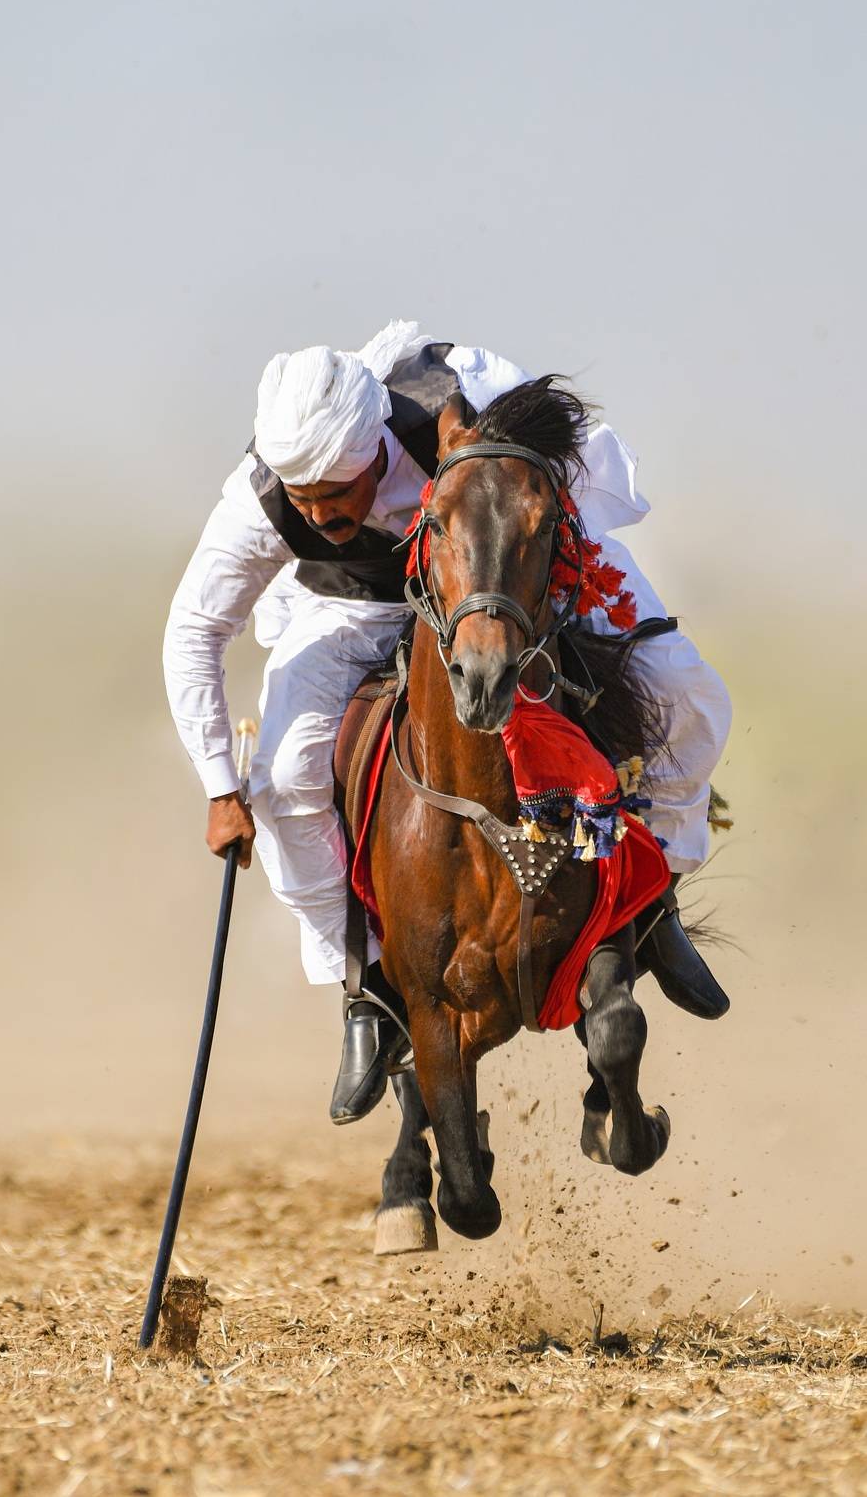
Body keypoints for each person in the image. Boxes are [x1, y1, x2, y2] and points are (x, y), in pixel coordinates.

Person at [164, 320, 732, 1126]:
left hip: (505, 571)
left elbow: (552, 471)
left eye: (339, 490)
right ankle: (366, 992)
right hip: (351, 603)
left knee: (688, 694)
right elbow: (194, 631)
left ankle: (654, 906)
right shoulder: (254, 502)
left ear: (376, 447)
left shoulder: (470, 392)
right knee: (284, 778)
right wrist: (221, 787)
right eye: (303, 496)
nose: (320, 512)